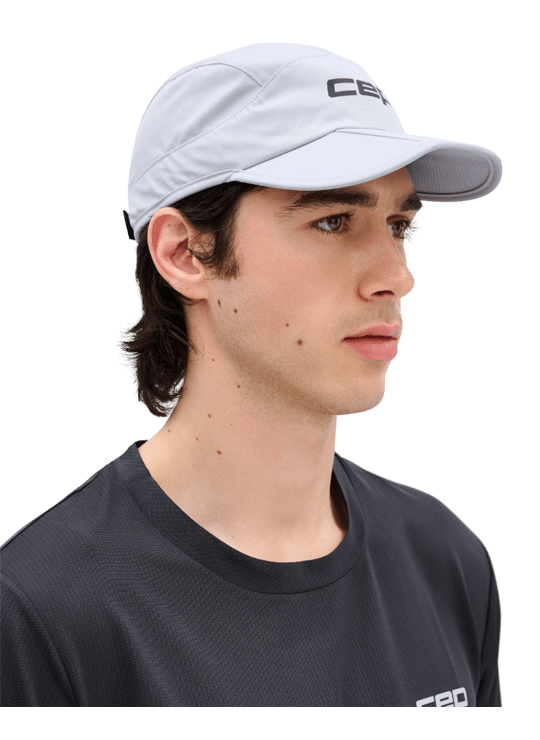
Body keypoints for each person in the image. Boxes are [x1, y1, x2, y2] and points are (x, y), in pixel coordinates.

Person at [0, 42, 502, 707]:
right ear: (186, 253)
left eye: (400, 225)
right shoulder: (40, 614)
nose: (397, 277)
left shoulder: (446, 560)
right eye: (334, 221)